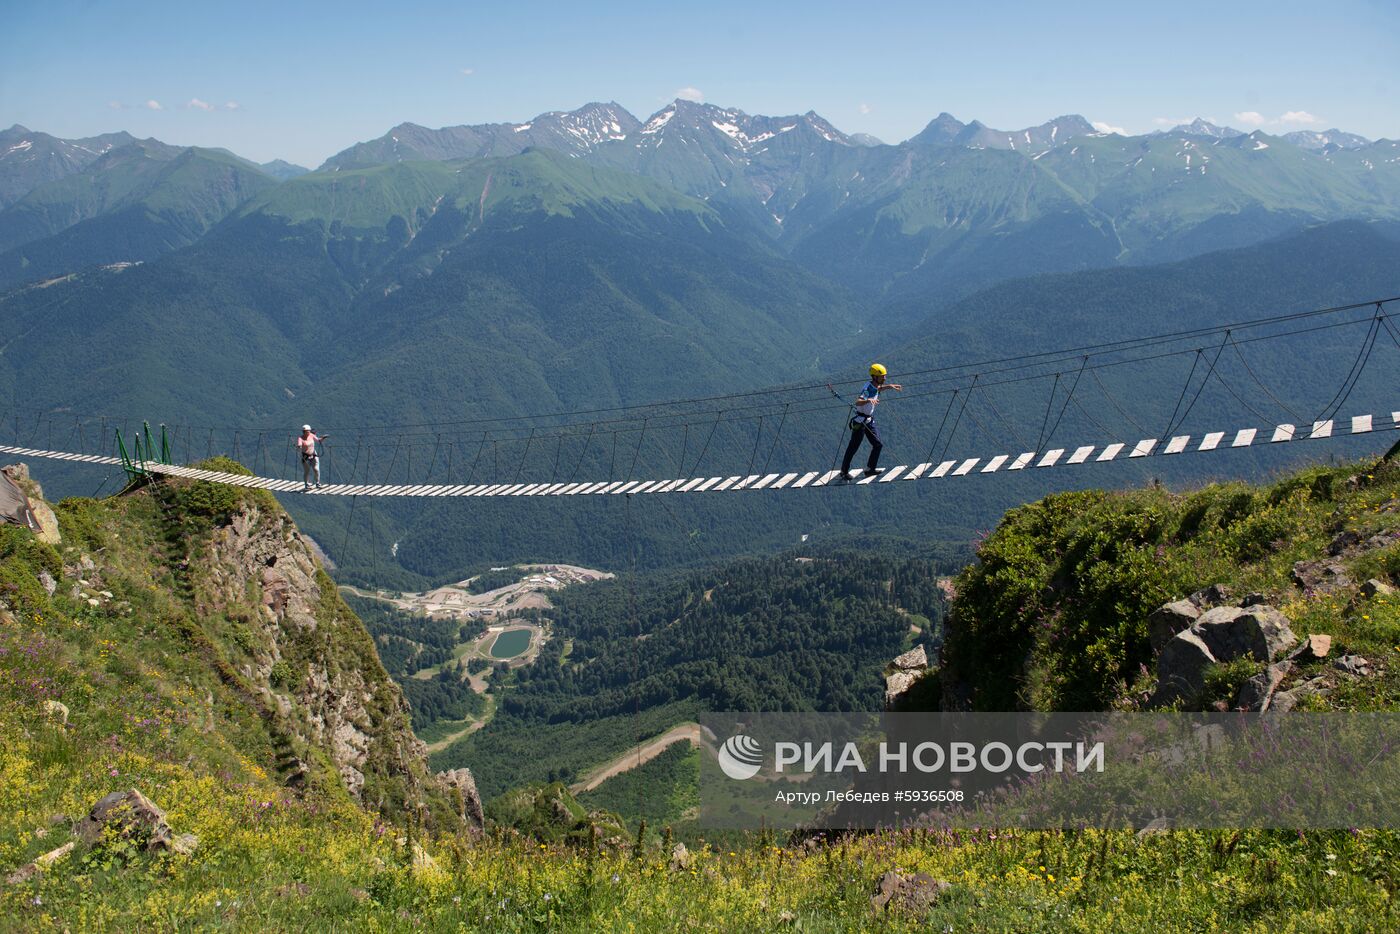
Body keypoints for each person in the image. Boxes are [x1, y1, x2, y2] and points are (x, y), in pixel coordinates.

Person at [841, 364, 901, 480]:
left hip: (868, 420)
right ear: (874, 377)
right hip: (861, 422)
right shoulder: (867, 389)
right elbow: (858, 402)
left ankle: (870, 469)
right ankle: (844, 471)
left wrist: (890, 387)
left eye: (884, 376)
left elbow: (877, 389)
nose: (884, 378)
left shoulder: (874, 385)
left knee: (878, 444)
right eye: (882, 377)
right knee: (853, 447)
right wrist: (868, 400)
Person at [297, 425, 329, 490]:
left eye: (308, 431)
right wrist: (299, 446)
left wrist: (323, 438)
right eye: (306, 431)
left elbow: (318, 440)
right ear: (304, 431)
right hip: (305, 456)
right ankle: (307, 485)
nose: (308, 432)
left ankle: (318, 483)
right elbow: (299, 444)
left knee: (316, 469)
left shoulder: (311, 435)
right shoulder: (300, 438)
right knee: (307, 471)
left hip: (314, 454)